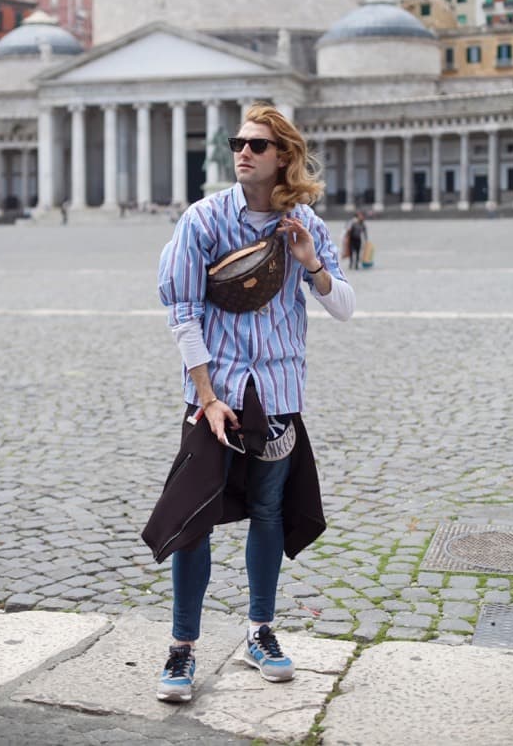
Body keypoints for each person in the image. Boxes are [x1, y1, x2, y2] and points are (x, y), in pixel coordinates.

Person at [153, 103, 355, 703]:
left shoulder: (305, 224)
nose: (242, 151)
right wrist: (207, 396)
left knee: (268, 510)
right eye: (239, 142)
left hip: (280, 390)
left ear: (283, 157)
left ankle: (260, 630)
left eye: (257, 145)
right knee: (193, 518)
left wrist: (310, 263)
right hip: (216, 396)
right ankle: (182, 646)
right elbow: (182, 311)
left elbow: (344, 306)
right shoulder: (204, 219)